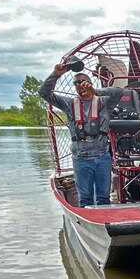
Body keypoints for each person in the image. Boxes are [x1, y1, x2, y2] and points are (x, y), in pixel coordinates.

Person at [38, 58, 123, 207]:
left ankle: (103, 221)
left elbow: (119, 92)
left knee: (103, 198)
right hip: (81, 158)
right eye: (76, 83)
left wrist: (95, 91)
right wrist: (56, 74)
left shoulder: (104, 101)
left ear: (90, 82)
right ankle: (85, 222)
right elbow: (44, 93)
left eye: (83, 81)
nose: (79, 85)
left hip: (102, 156)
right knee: (85, 198)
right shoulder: (69, 104)